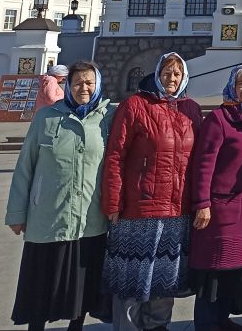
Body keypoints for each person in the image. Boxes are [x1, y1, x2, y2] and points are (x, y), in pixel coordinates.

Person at [5, 60, 113, 331]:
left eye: (89, 83)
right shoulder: (46, 117)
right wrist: (17, 213)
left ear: (98, 84)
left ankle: (75, 327)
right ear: (68, 85)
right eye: (77, 83)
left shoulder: (107, 118)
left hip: (89, 217)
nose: (83, 88)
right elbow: (25, 167)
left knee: (82, 283)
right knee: (41, 283)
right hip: (47, 219)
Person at [102, 52, 204, 331]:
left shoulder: (190, 109)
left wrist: (199, 202)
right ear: (157, 74)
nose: (172, 79)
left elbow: (198, 161)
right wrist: (113, 201)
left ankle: (158, 326)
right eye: (167, 73)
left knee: (164, 275)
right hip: (139, 207)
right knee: (133, 275)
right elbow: (116, 155)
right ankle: (129, 326)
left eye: (177, 74)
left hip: (176, 208)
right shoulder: (135, 105)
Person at [189, 66, 242, 331]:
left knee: (233, 269)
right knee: (213, 269)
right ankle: (205, 322)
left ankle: (221, 319)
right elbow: (204, 164)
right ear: (231, 85)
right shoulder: (219, 119)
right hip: (220, 209)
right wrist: (202, 203)